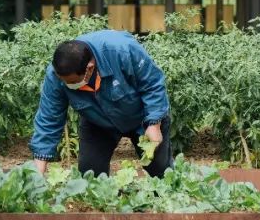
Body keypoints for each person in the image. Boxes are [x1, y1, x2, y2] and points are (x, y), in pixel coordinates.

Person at [30, 29, 172, 177]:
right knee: (90, 176)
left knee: (162, 172)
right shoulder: (55, 75)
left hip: (142, 116)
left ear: (89, 68)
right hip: (98, 122)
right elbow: (49, 118)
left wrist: (154, 124)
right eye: (62, 81)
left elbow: (153, 83)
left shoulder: (121, 50)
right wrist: (37, 173)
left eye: (71, 82)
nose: (66, 85)